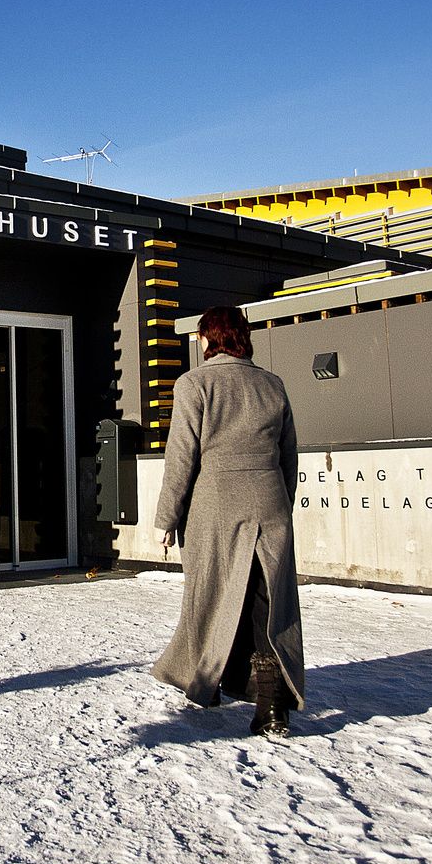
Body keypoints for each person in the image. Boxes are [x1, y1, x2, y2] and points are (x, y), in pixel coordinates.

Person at [151, 305, 306, 736]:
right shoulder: (272, 384)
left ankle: (208, 681)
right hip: (269, 502)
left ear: (208, 338)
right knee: (267, 602)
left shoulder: (194, 383)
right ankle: (272, 707)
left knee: (211, 594)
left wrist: (167, 517)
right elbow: (289, 455)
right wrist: (281, 504)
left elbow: (181, 457)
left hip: (216, 505)